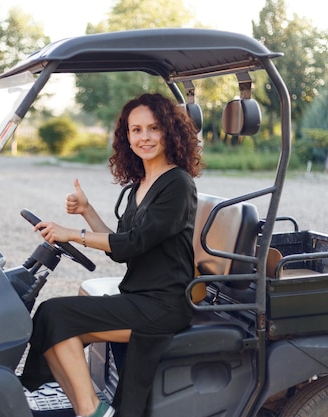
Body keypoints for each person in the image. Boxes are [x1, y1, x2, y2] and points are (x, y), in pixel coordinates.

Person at [21, 92, 202, 417]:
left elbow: (134, 242)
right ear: (126, 137)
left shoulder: (178, 184)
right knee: (48, 320)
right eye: (136, 130)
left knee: (58, 315)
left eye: (153, 128)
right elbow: (121, 245)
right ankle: (87, 411)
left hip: (163, 304)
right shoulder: (141, 184)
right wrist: (87, 212)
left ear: (170, 131)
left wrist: (72, 233)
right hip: (139, 296)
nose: (144, 137)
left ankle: (93, 410)